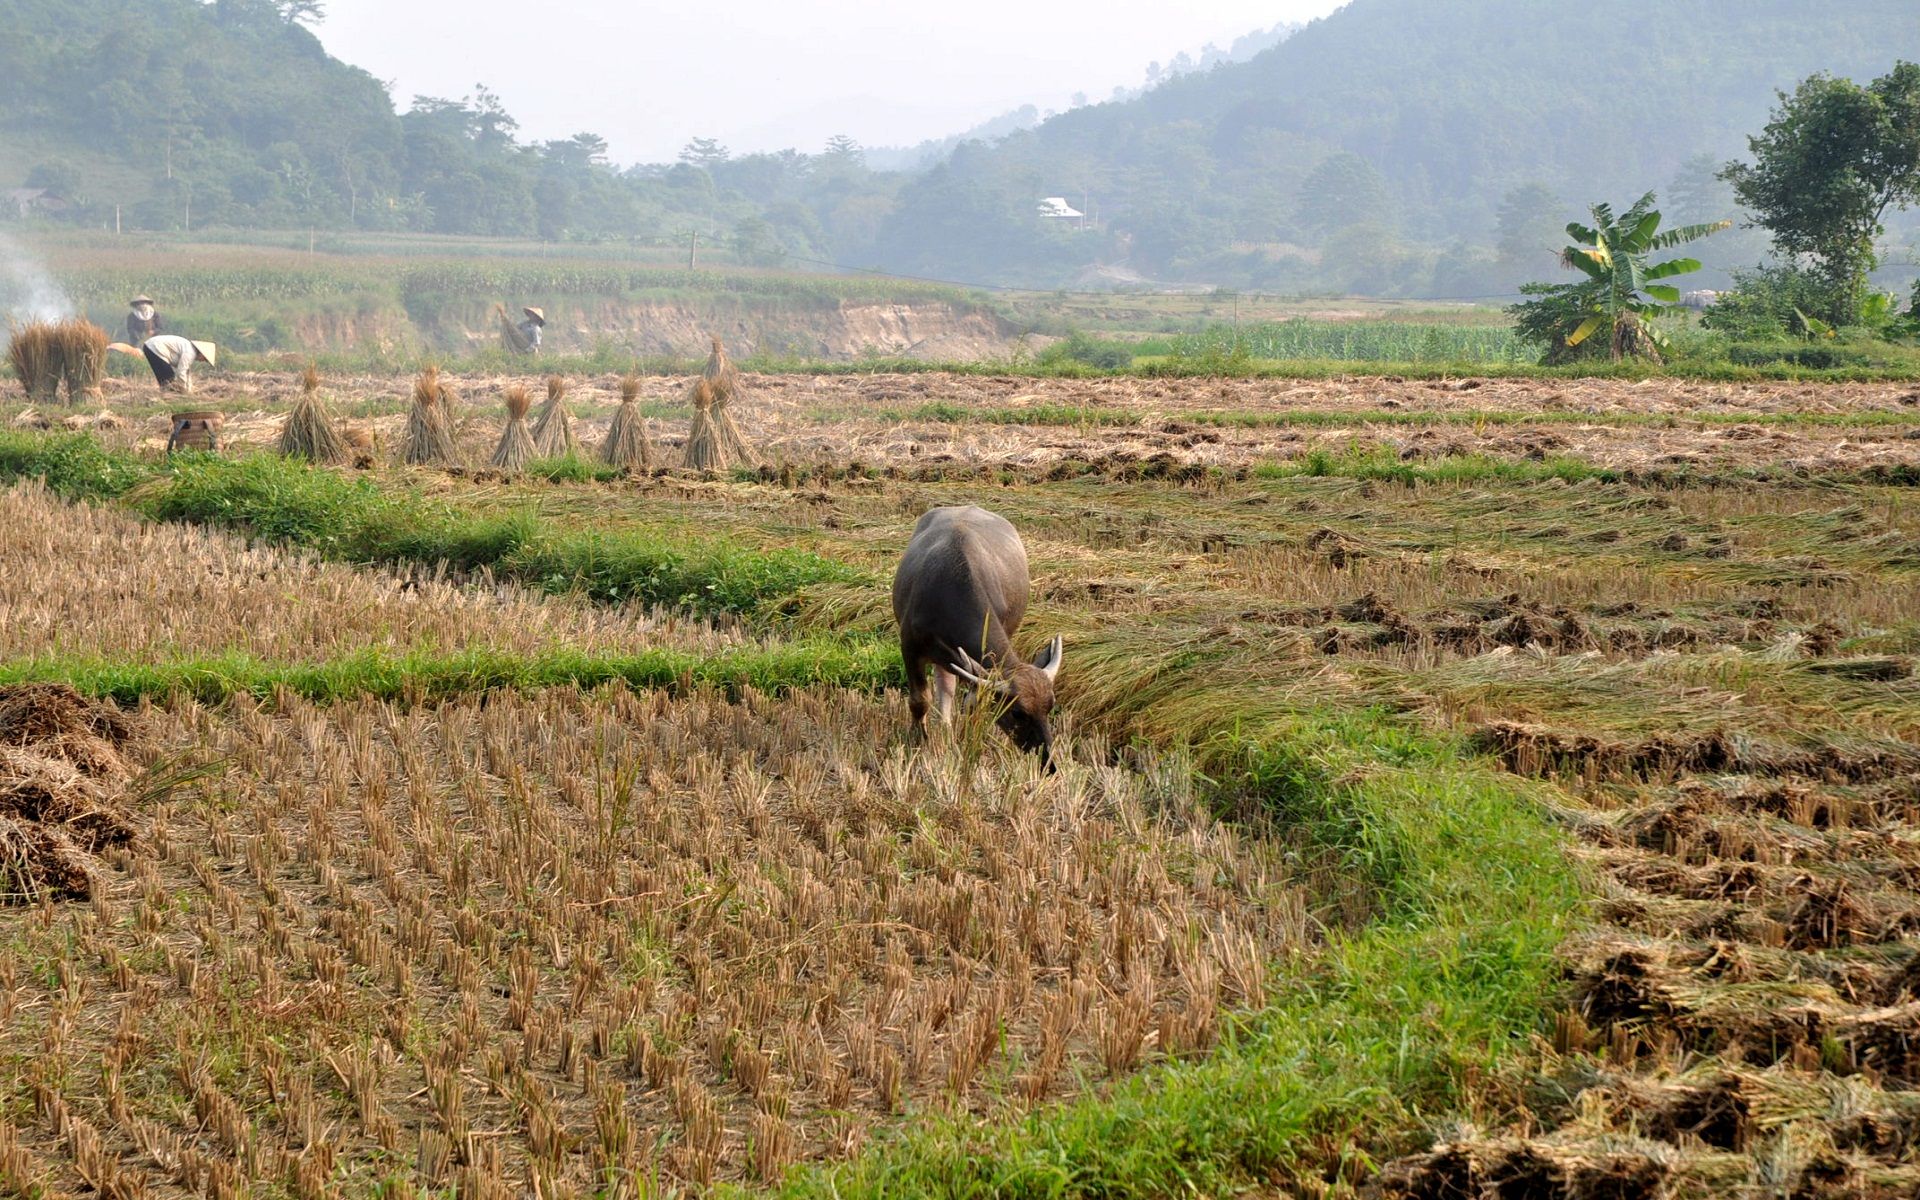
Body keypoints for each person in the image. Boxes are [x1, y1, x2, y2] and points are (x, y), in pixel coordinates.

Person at [139, 334, 216, 393]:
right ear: (202, 354)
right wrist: (184, 391)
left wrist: (189, 389)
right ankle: (168, 397)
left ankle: (165, 396)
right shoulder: (190, 353)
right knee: (169, 378)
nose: (203, 361)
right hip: (154, 347)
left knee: (165, 380)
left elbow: (186, 372)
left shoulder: (190, 350)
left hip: (149, 347)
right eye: (205, 359)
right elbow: (181, 372)